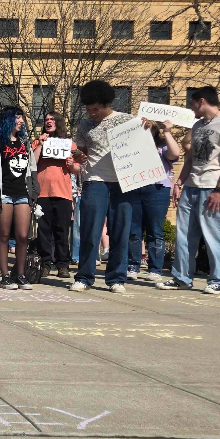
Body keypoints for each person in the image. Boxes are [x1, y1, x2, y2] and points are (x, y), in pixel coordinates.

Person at [157, 86, 220, 294]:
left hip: (213, 188)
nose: (191, 108)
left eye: (192, 103)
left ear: (201, 101)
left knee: (215, 234)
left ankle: (219, 280)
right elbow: (191, 159)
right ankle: (182, 277)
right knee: (184, 234)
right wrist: (179, 184)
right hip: (191, 186)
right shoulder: (197, 126)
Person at [71, 81, 135, 293]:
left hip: (123, 182)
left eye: (96, 109)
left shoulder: (127, 121)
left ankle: (117, 278)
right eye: (88, 109)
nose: (92, 113)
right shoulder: (84, 126)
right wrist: (77, 157)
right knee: (90, 231)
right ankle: (84, 277)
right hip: (94, 181)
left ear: (107, 103)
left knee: (120, 231)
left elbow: (143, 145)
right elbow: (80, 151)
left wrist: (148, 128)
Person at [0, 107, 37, 289]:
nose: (21, 121)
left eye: (22, 117)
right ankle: (5, 276)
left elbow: (32, 167)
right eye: (18, 117)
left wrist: (34, 190)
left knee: (23, 236)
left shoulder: (24, 142)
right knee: (4, 235)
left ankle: (21, 274)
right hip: (4, 193)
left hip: (22, 194)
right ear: (8, 120)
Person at [127, 120, 180, 282]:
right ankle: (132, 266)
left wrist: (168, 132)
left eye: (150, 124)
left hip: (157, 190)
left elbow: (175, 154)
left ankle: (155, 268)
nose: (146, 125)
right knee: (133, 230)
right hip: (134, 188)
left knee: (155, 230)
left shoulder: (162, 146)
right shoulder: (132, 145)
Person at [31, 111, 80, 280]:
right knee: (44, 231)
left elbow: (77, 170)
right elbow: (32, 163)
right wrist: (40, 145)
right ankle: (46, 263)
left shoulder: (69, 144)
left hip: (63, 193)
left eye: (52, 119)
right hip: (42, 193)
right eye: (46, 119)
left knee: (61, 230)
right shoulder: (38, 142)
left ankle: (63, 265)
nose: (48, 122)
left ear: (58, 122)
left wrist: (72, 164)